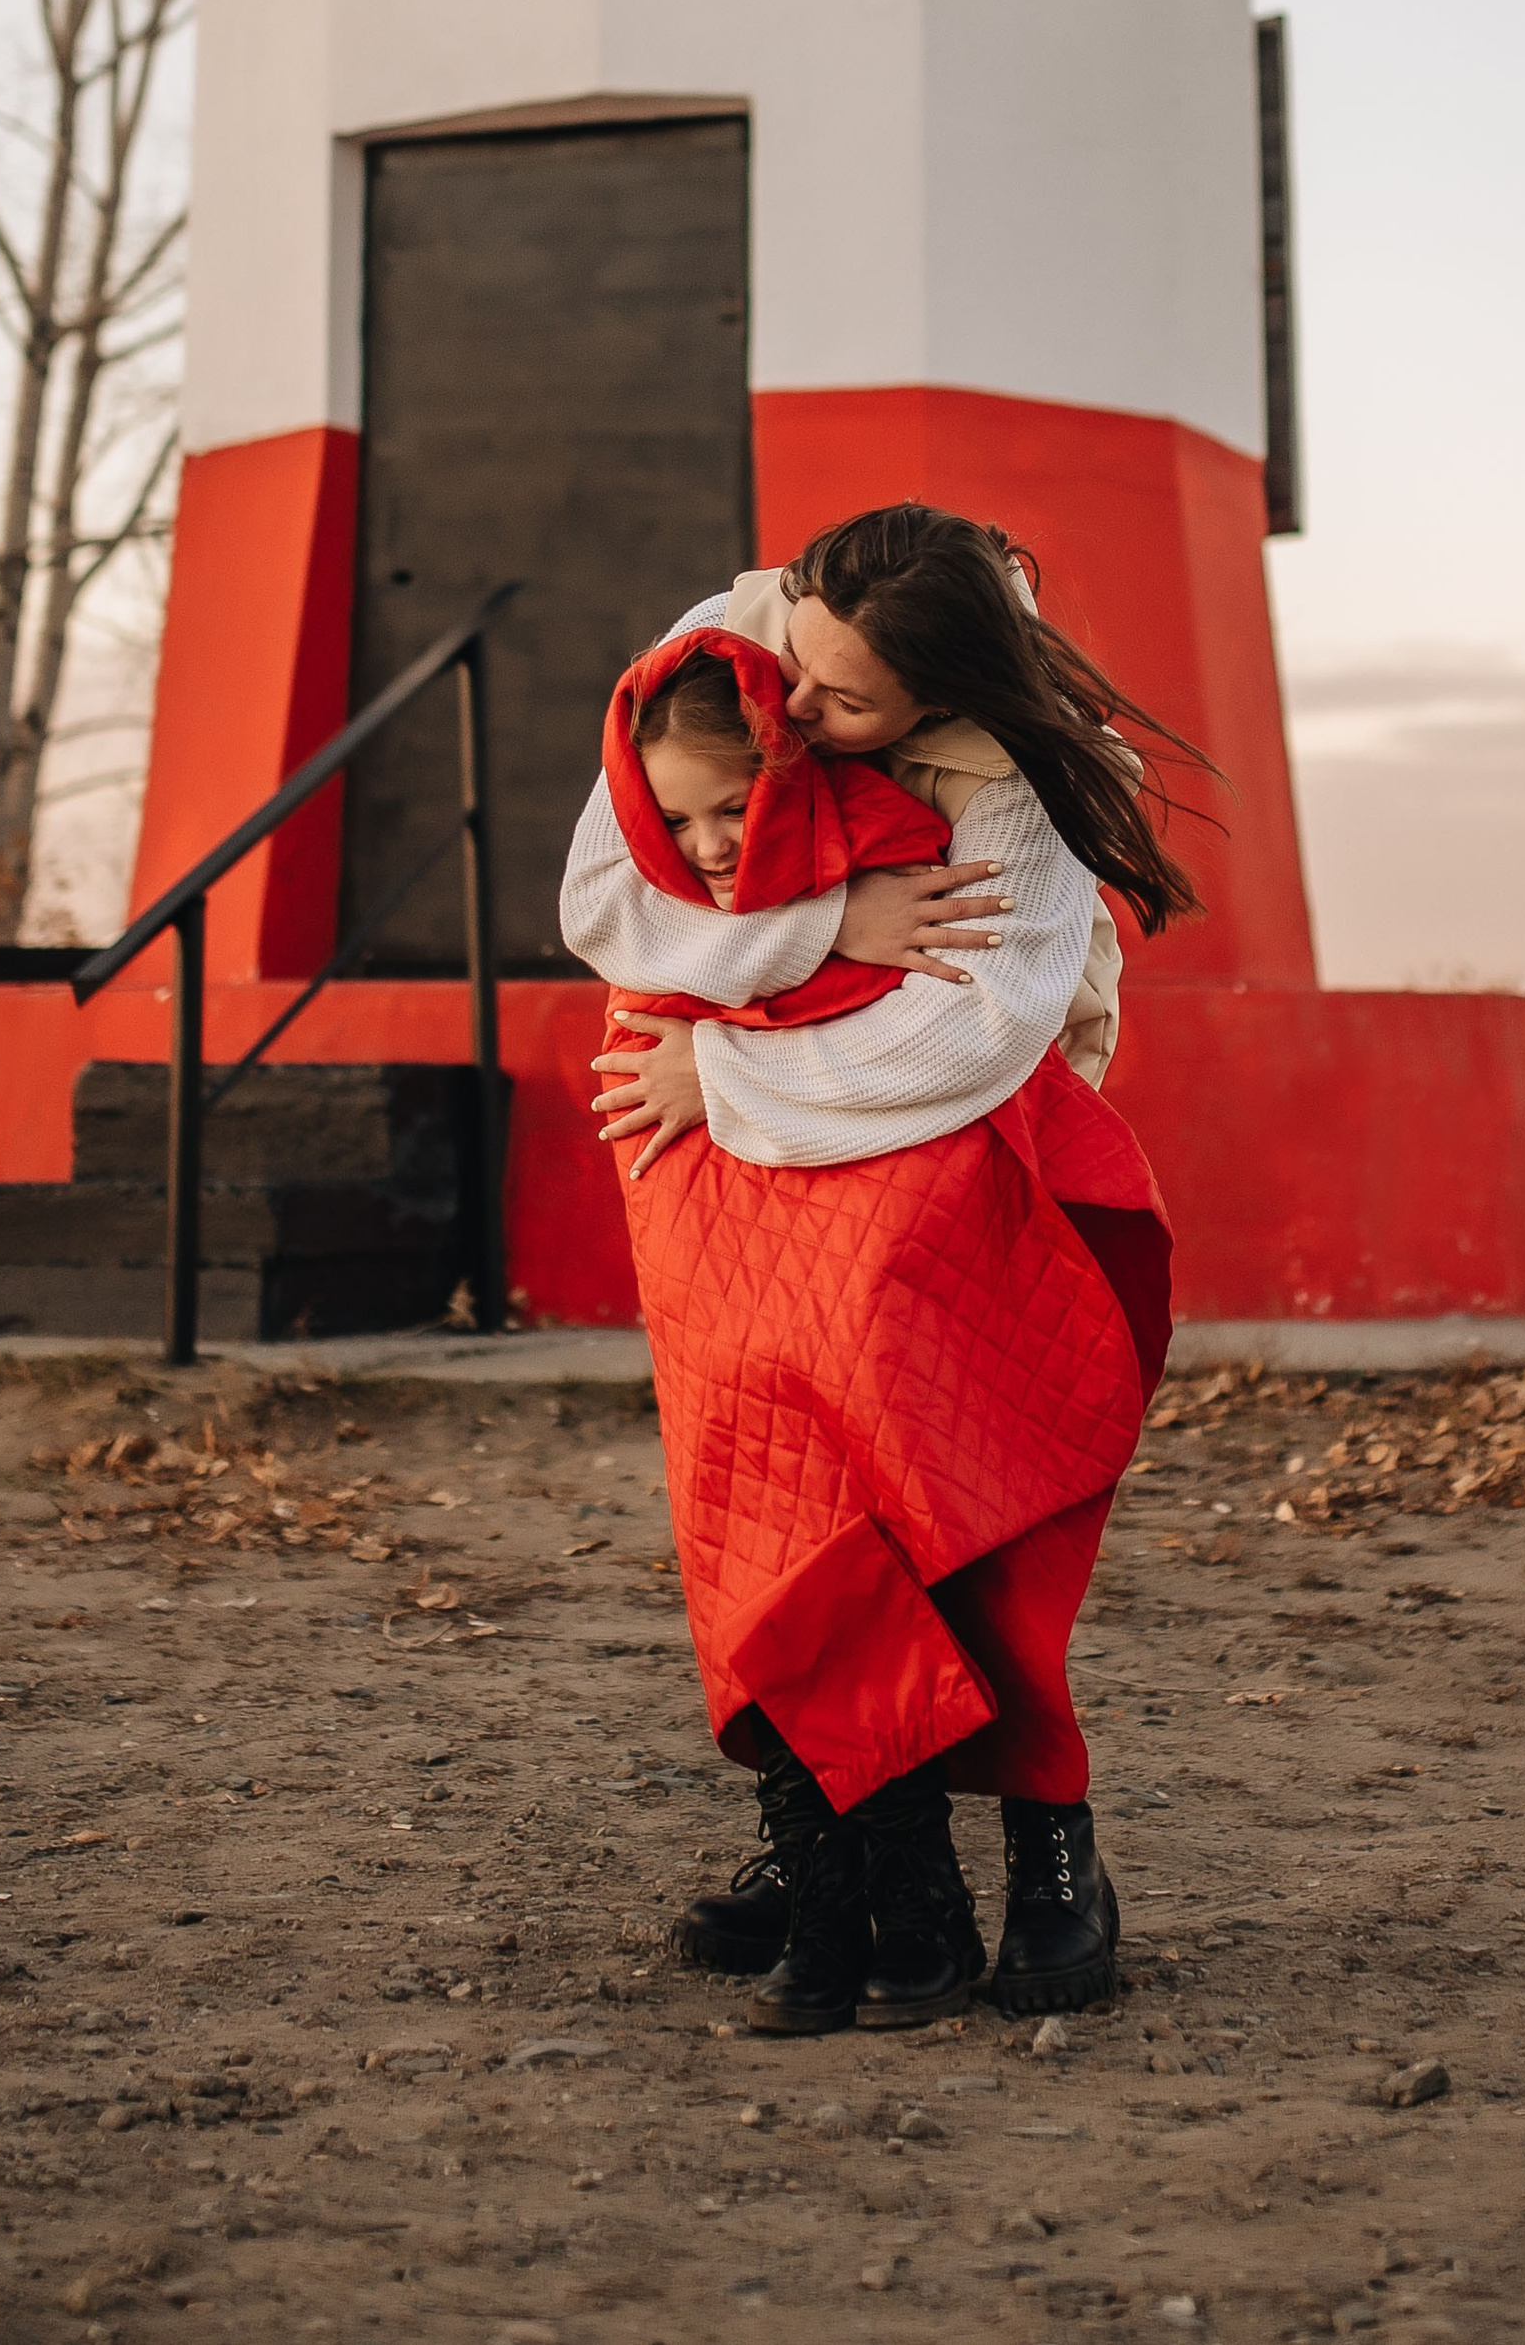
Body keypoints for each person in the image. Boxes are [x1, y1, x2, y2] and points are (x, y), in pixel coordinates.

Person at [561, 502, 1199, 2031]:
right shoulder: (733, 654)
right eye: (809, 667)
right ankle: (834, 1847)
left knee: (966, 1508)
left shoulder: (1017, 775)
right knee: (776, 1493)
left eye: (851, 707)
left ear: (947, 694)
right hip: (726, 1139)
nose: (804, 714)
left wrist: (734, 1080)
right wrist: (831, 916)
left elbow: (982, 1026)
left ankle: (1055, 1847)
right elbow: (609, 897)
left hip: (946, 1134)